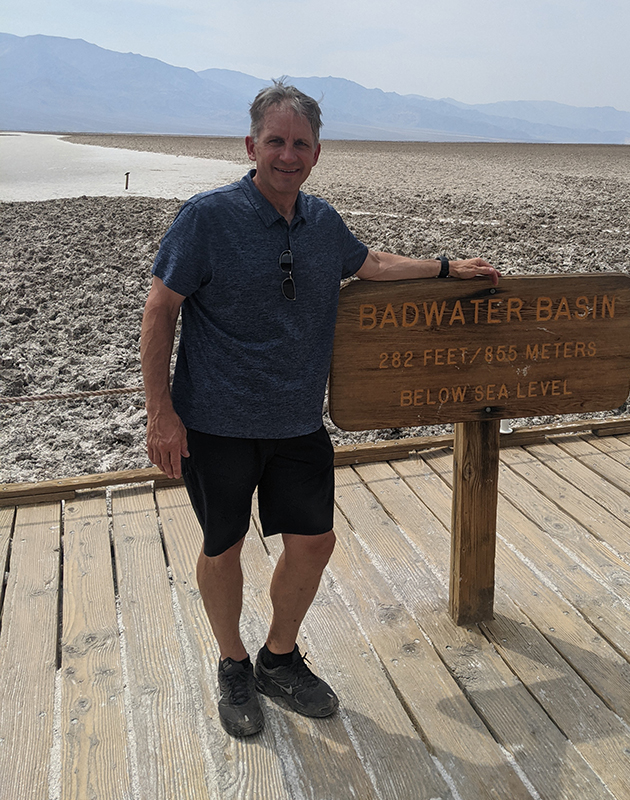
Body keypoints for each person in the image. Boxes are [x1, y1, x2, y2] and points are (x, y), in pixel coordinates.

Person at [140, 80, 499, 738]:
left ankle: (279, 657)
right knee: (223, 546)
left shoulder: (323, 222)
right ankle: (232, 662)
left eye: (299, 143)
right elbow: (160, 307)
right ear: (251, 145)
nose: (287, 154)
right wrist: (160, 413)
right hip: (215, 423)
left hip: (297, 422)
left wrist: (448, 267)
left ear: (316, 153)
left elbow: (372, 264)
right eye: (274, 141)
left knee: (314, 543)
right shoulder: (207, 218)